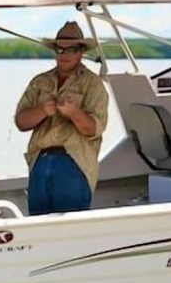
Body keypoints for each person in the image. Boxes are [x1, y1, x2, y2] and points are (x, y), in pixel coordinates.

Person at [14, 21, 108, 215]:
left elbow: (93, 129)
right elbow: (20, 122)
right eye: (59, 49)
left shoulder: (93, 84)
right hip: (40, 161)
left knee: (71, 228)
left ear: (81, 52)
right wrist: (42, 110)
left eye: (70, 50)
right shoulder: (39, 81)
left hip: (74, 162)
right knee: (37, 223)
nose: (63, 55)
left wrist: (74, 113)